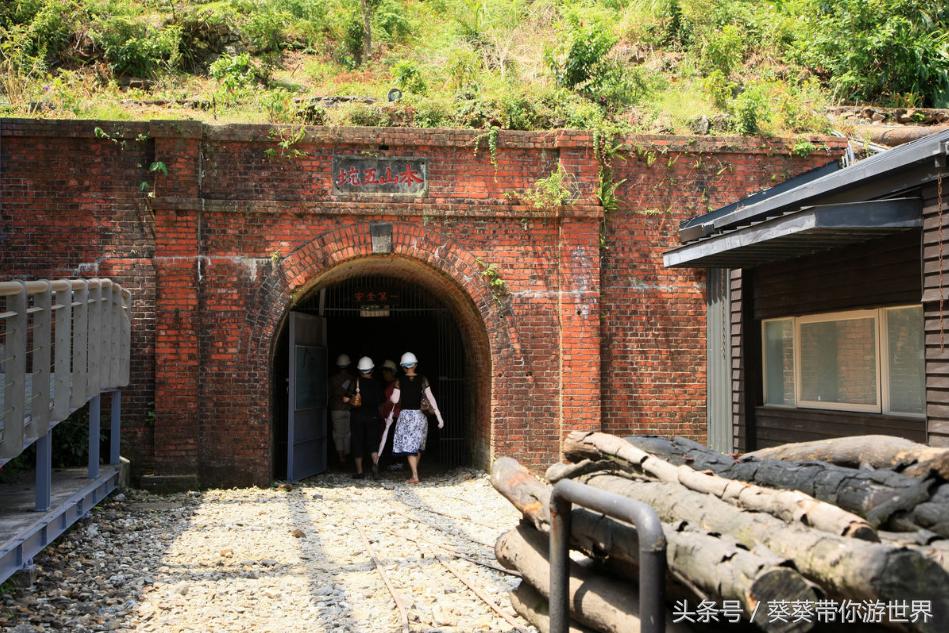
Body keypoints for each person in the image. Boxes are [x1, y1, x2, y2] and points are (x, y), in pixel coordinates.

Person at [386, 352, 444, 484]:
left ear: (403, 366)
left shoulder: (399, 380)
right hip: (420, 416)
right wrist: (438, 416)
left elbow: (395, 399)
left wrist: (392, 397)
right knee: (417, 446)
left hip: (406, 416)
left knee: (409, 446)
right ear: (415, 365)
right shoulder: (423, 379)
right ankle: (414, 473)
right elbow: (431, 398)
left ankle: (415, 476)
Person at [349, 356, 384, 479]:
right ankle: (375, 466)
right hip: (373, 416)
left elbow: (345, 398)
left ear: (359, 370)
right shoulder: (377, 384)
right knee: (373, 442)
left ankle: (360, 472)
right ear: (372, 370)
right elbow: (382, 401)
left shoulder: (355, 382)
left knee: (357, 441)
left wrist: (352, 400)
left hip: (357, 417)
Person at [329, 354, 353, 466]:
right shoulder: (352, 378)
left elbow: (329, 394)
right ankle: (347, 455)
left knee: (338, 434)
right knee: (347, 433)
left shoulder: (332, 379)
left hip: (336, 409)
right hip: (348, 409)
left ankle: (341, 457)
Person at [377, 360, 400, 470]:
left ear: (392, 372)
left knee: (393, 440)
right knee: (389, 439)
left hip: (395, 416)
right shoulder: (389, 385)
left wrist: (385, 404)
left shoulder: (396, 384)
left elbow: (398, 400)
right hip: (389, 416)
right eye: (383, 371)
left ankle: (396, 462)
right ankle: (392, 462)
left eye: (386, 371)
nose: (384, 374)